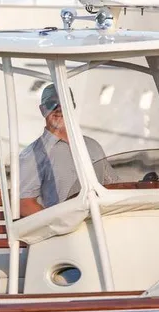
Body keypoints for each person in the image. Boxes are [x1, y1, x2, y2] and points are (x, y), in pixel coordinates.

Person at [19, 84, 117, 217]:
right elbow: (24, 204)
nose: (58, 108)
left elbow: (114, 187)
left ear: (73, 106)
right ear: (42, 110)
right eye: (51, 103)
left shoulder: (93, 146)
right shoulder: (31, 155)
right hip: (63, 234)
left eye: (64, 102)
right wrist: (60, 225)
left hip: (100, 225)